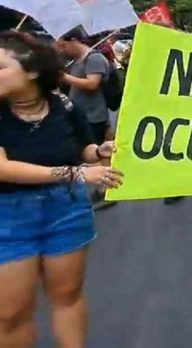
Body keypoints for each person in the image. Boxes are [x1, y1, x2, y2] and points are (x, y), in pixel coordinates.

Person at [0, 31, 124, 348]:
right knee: (11, 313)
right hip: (9, 217)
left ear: (32, 71)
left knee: (67, 296)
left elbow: (83, 148)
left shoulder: (63, 105)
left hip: (66, 211)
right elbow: (3, 168)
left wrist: (100, 152)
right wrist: (77, 174)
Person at [57, 29, 116, 211]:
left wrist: (65, 77)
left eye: (63, 45)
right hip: (81, 114)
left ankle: (105, 189)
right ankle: (104, 187)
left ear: (74, 40)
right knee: (95, 154)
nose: (61, 49)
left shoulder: (94, 59)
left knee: (94, 153)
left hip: (93, 115)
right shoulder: (75, 62)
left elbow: (92, 84)